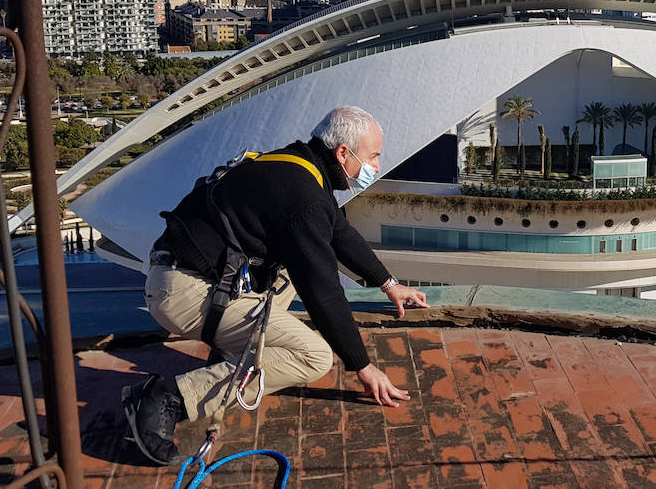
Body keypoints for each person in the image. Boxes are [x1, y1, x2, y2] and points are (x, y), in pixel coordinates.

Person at [123, 106, 429, 465]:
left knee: (286, 274)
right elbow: (323, 290)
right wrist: (361, 366)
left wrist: (388, 284)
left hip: (187, 273)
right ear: (343, 153)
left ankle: (227, 353)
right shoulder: (305, 198)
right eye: (373, 155)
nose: (376, 166)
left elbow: (339, 234)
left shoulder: (298, 165)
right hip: (184, 292)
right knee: (314, 357)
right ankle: (165, 398)